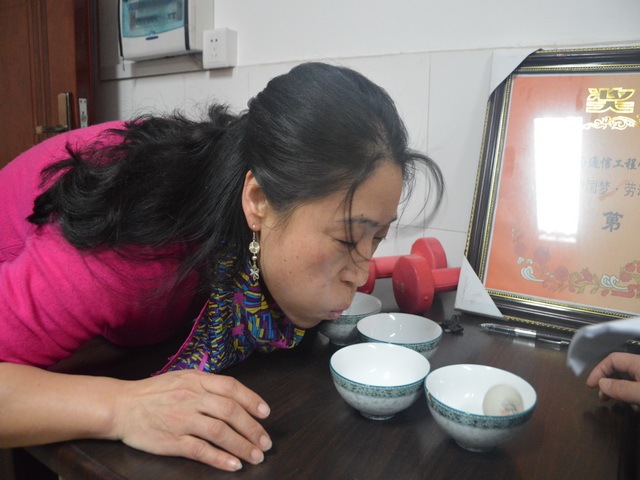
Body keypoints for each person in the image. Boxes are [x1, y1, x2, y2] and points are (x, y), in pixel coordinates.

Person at [0, 62, 444, 471]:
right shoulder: (132, 250)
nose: (361, 273)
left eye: (377, 239)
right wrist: (120, 408)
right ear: (258, 202)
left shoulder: (242, 193)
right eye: (347, 239)